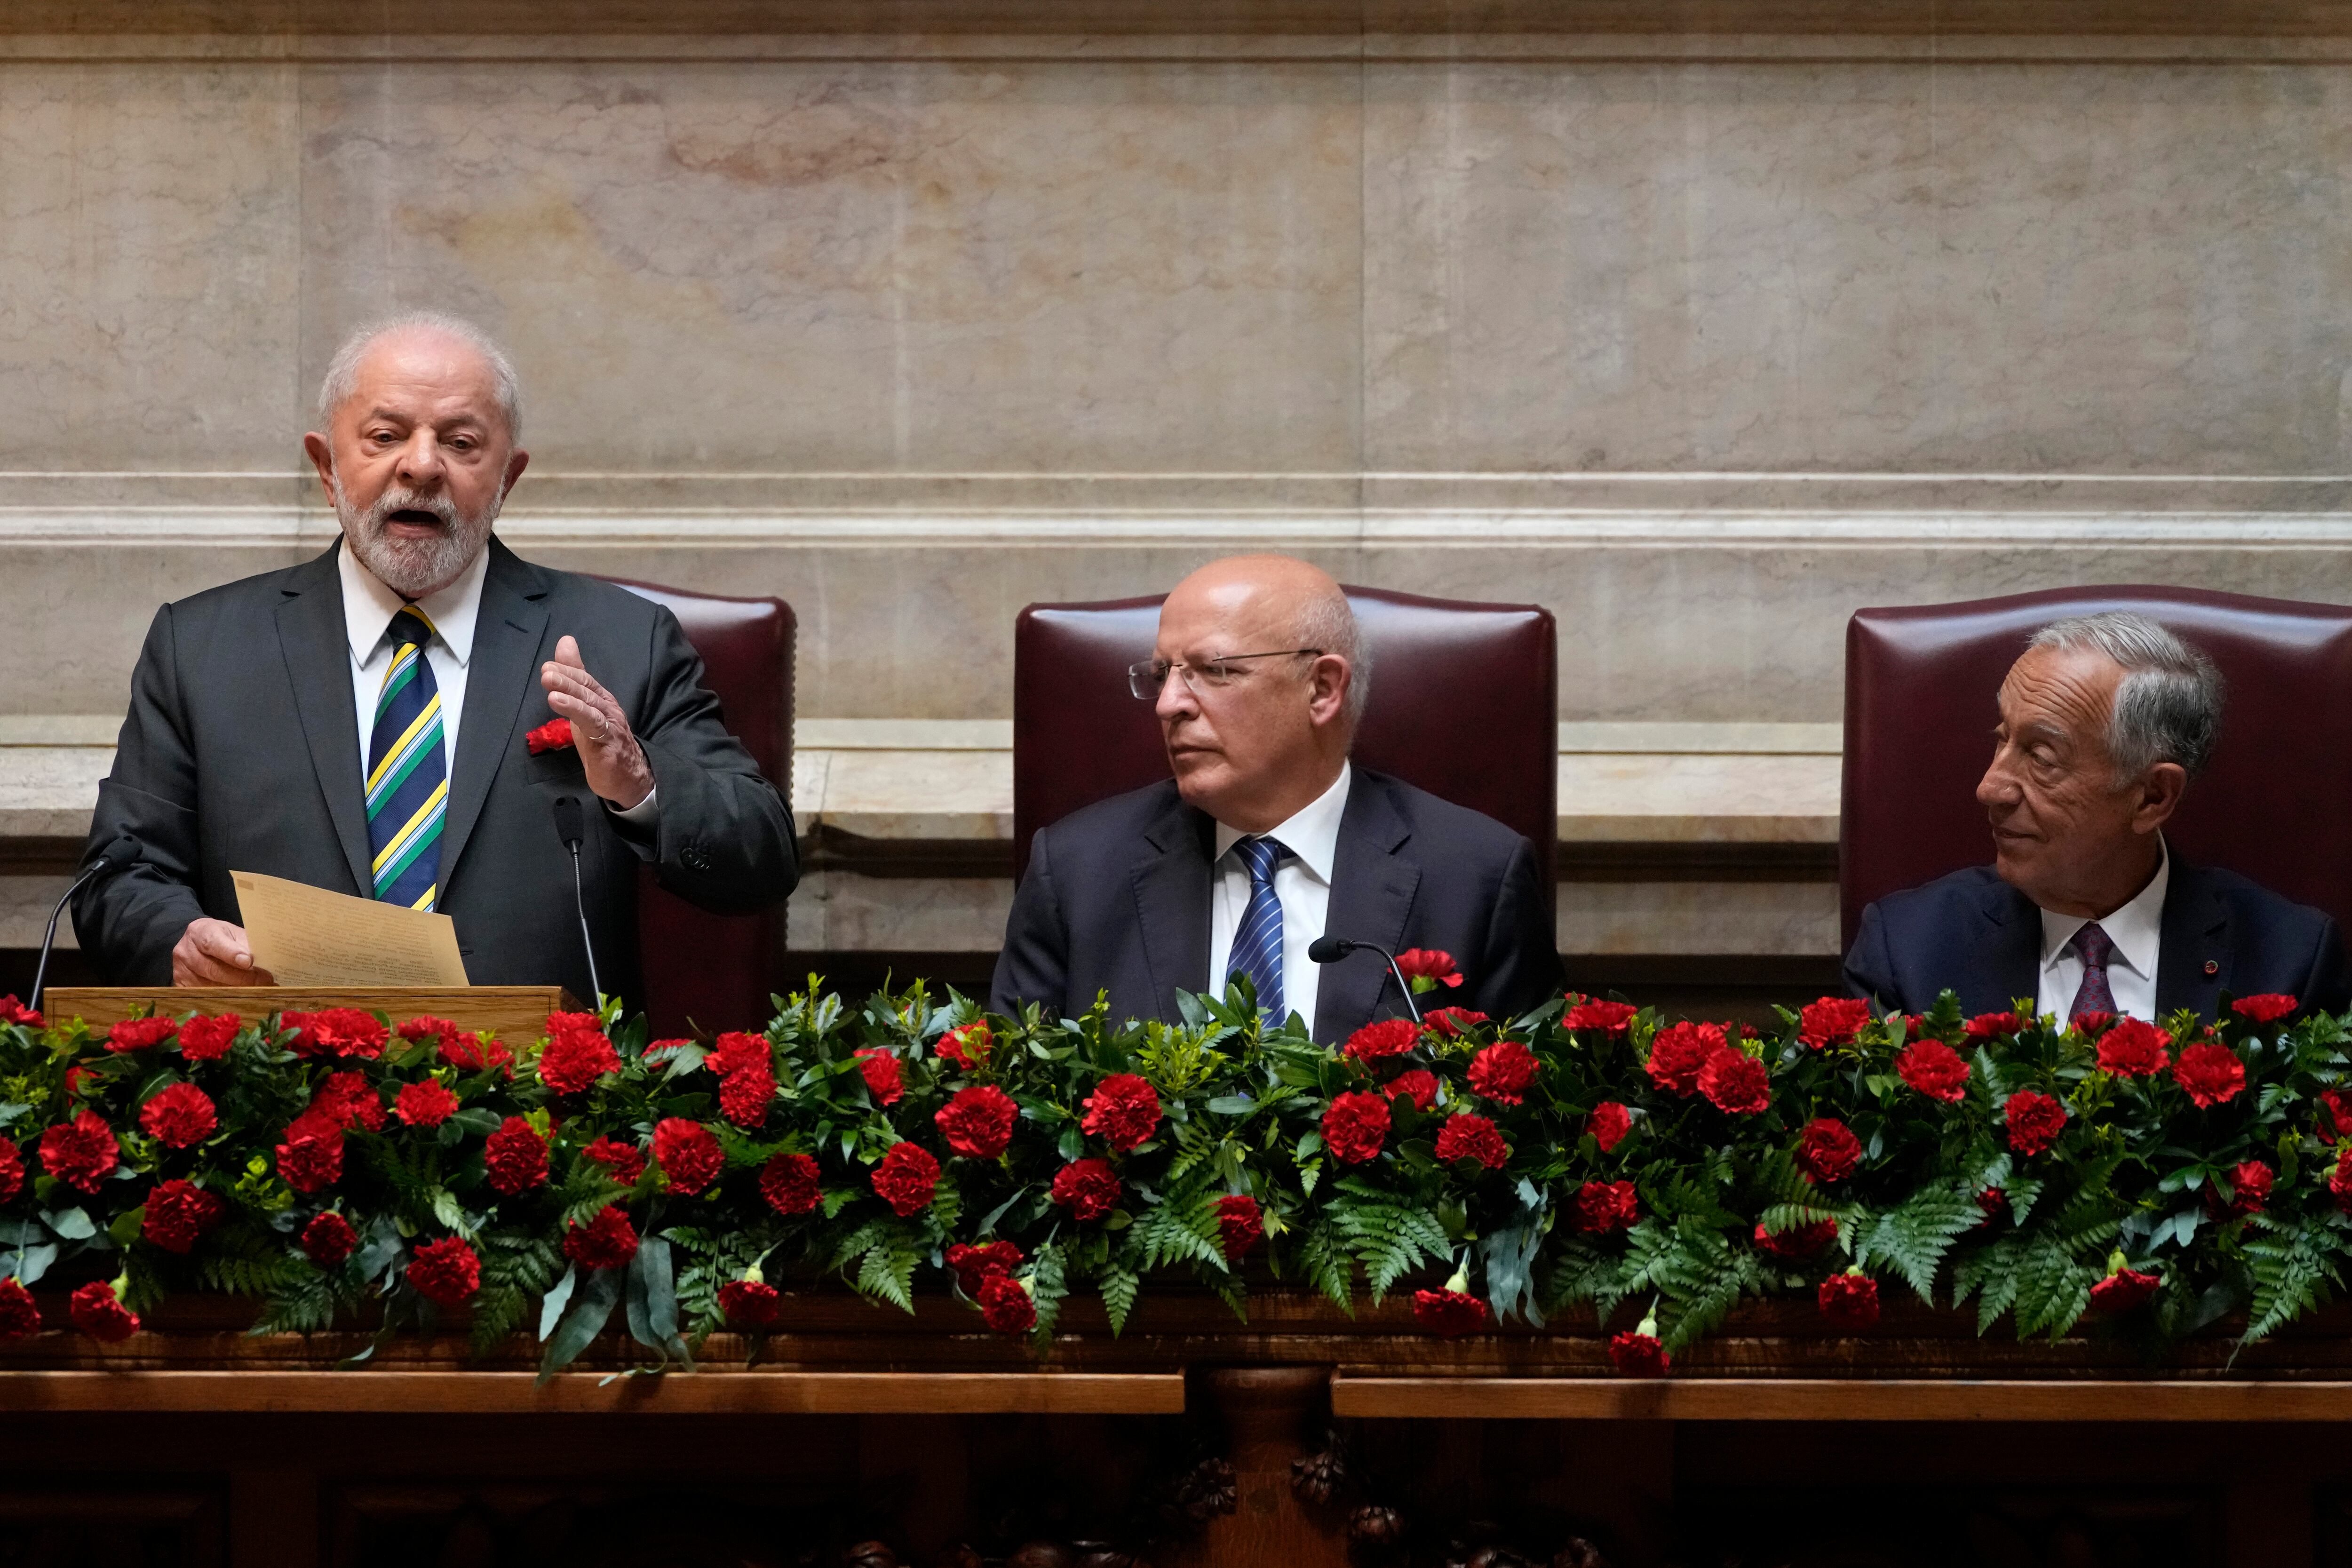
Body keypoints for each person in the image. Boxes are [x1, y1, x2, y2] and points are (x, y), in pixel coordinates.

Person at [72, 313, 797, 1004]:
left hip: (541, 1111)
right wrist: (178, 941)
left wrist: (639, 783)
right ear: (326, 468)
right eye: (386, 435)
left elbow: (760, 860)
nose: (421, 467)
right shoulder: (203, 648)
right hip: (277, 1100)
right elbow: (120, 878)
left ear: (507, 479)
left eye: (460, 443)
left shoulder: (622, 640)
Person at [991, 555, 1561, 1041]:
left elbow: (1522, 1129)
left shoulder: (1474, 879)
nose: (1168, 705)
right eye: (1163, 673)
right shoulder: (1076, 873)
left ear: (1321, 689)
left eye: (1213, 671)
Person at [1844, 611, 2350, 1022]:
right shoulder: (1906, 952)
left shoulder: (2290, 966)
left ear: (2152, 796)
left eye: (2041, 757)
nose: (1989, 788)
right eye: (2002, 738)